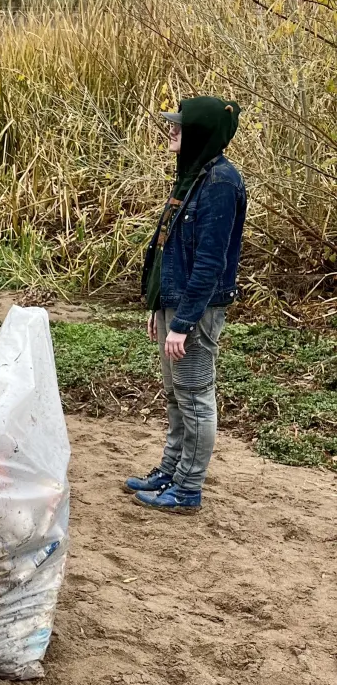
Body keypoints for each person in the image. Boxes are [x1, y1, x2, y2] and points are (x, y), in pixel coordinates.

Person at [126, 96, 245, 513]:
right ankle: (171, 470)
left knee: (194, 395)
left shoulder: (220, 184)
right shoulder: (193, 175)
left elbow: (211, 262)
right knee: (176, 393)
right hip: (174, 304)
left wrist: (185, 321)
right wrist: (158, 309)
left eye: (180, 125)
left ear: (201, 132)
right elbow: (166, 249)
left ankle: (188, 487)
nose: (171, 130)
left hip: (195, 308)